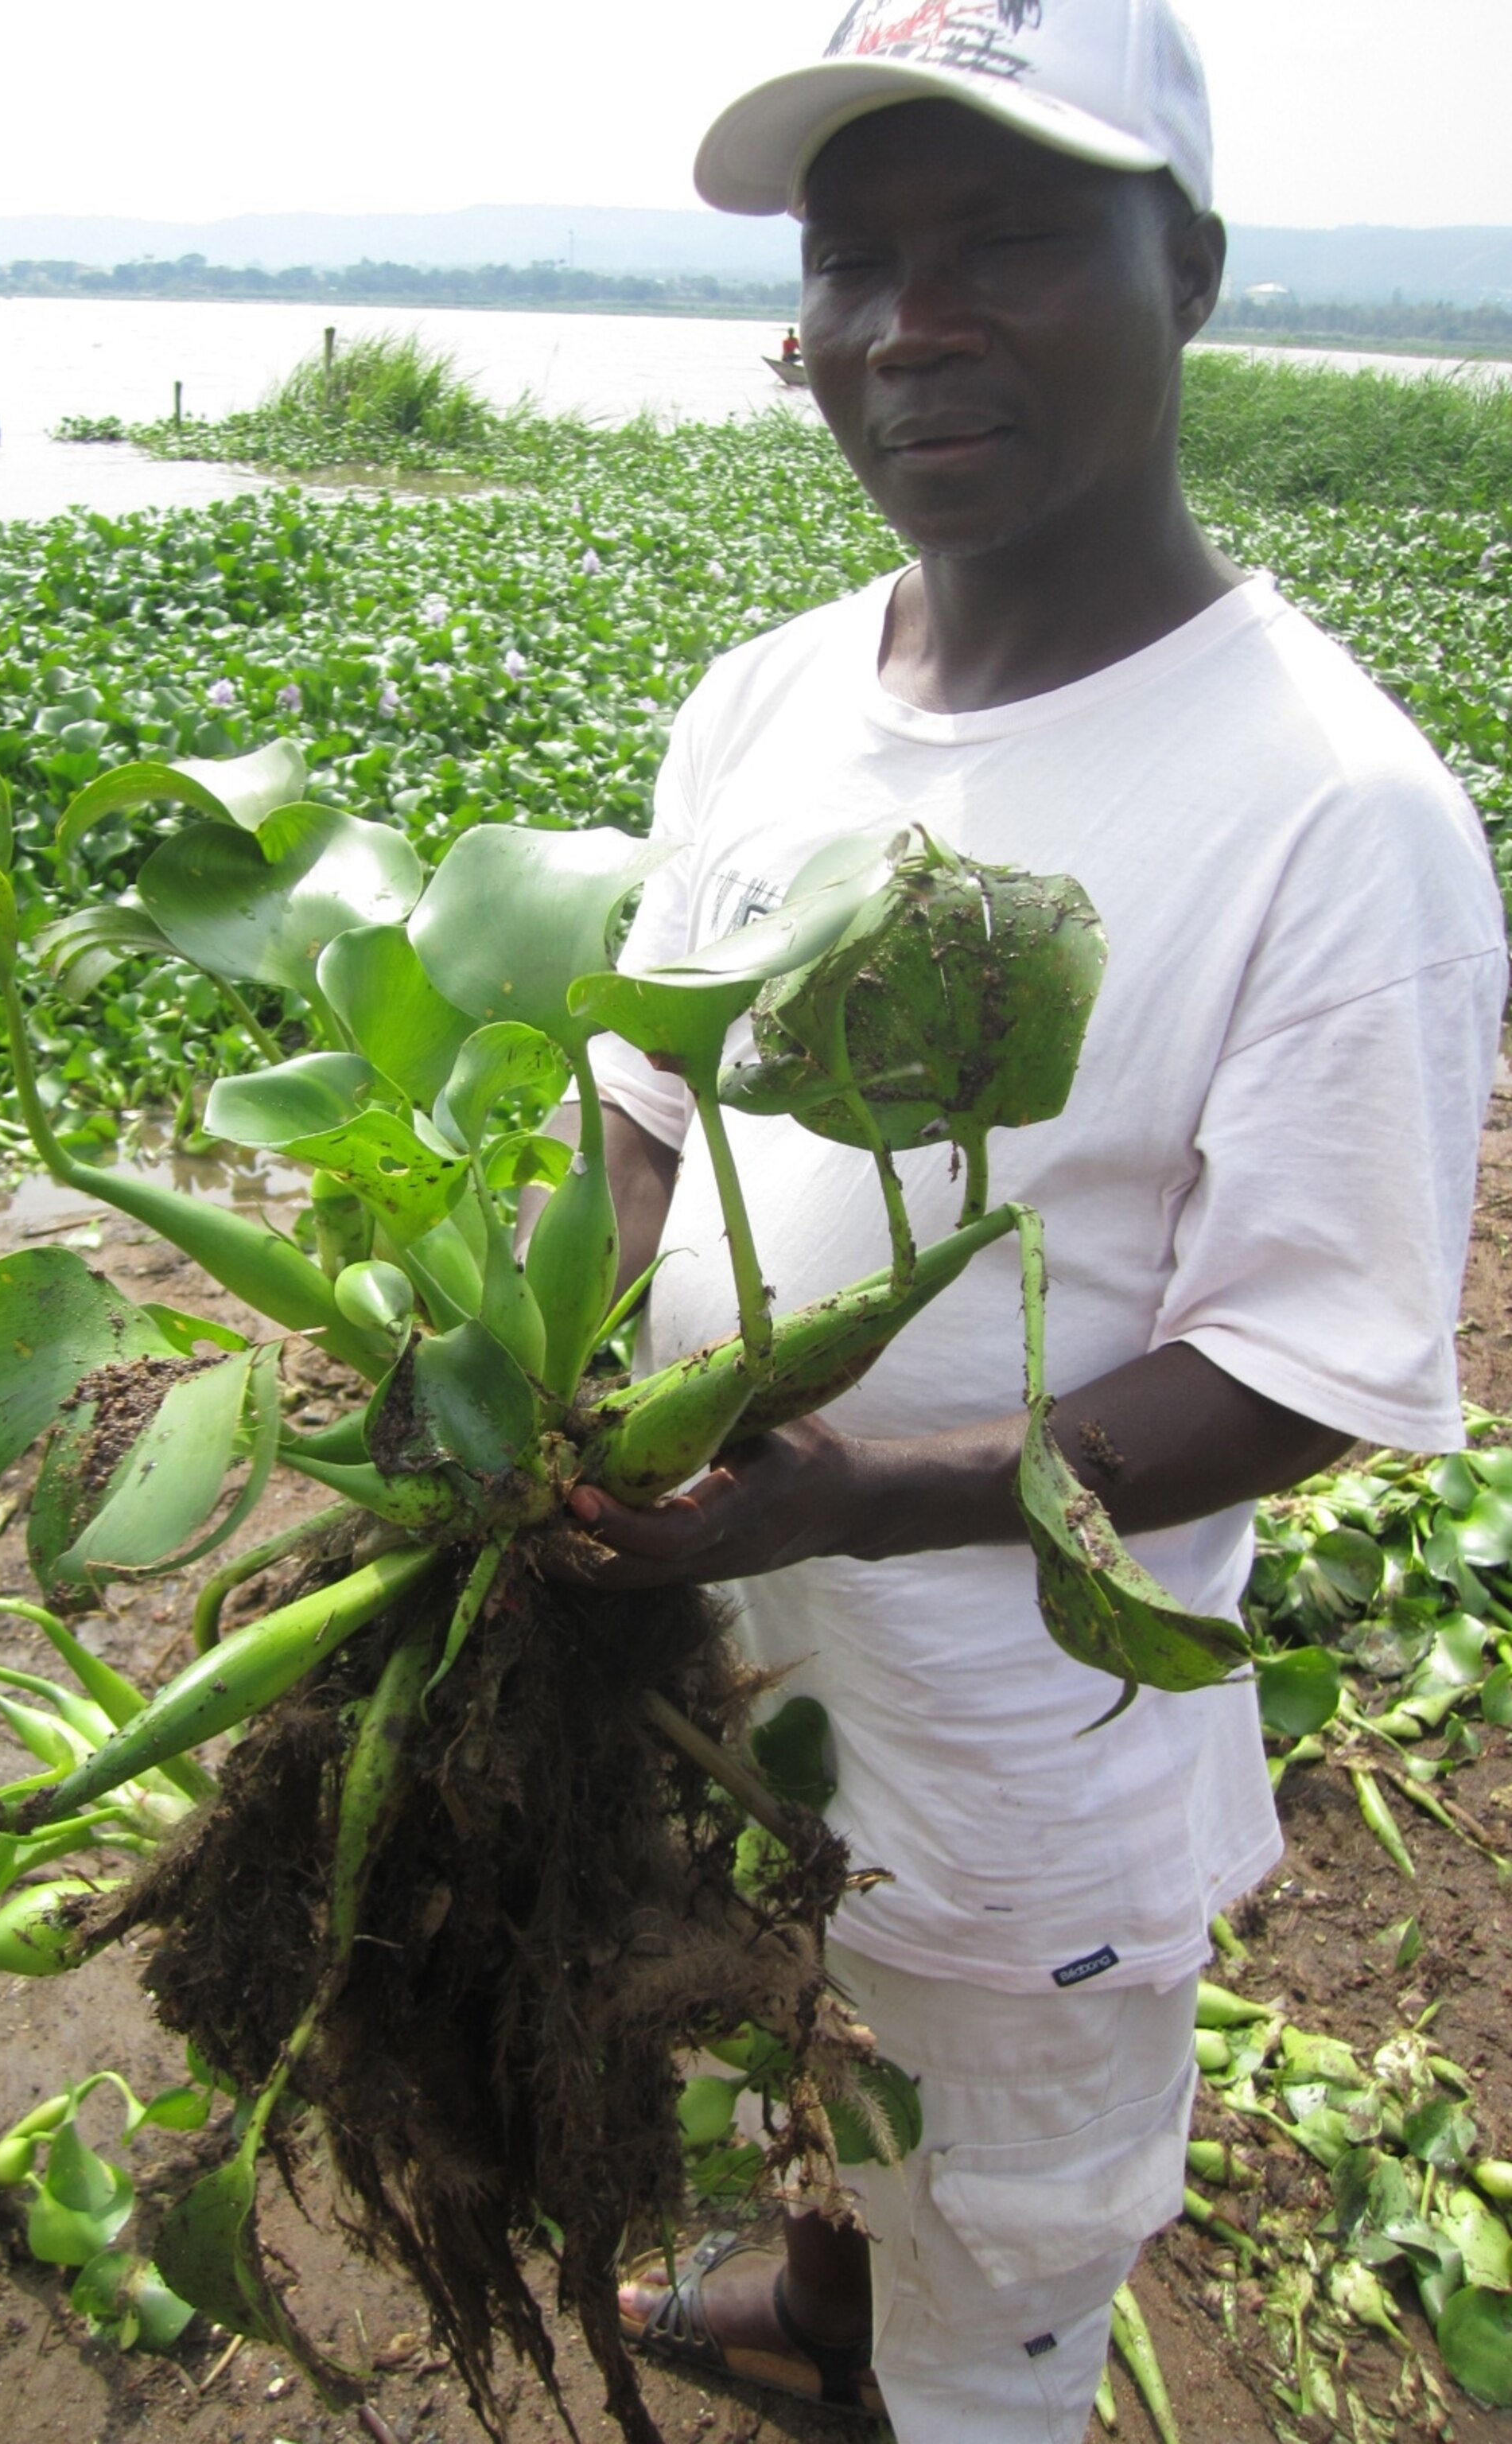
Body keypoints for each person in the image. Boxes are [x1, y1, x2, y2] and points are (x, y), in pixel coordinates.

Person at [553, 4, 1508, 2438]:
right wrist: (585, 1344)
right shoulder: (763, 694)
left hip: (1025, 1740)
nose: (909, 324)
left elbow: (1311, 1365)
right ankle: (809, 2292)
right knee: (784, 2012)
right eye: (852, 259)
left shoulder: (1331, 810)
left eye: (1002, 243)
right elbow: (641, 1092)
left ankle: (959, 2386)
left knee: (1017, 2196)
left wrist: (874, 1501)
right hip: (731, 1640)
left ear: (1183, 267)